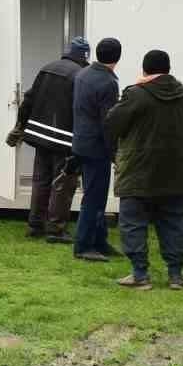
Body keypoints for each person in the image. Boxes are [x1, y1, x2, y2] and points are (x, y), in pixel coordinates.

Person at [104, 48, 183, 290]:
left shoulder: (136, 94)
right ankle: (175, 275)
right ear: (168, 69)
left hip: (138, 173)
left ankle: (140, 274)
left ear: (144, 70)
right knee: (173, 224)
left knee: (133, 223)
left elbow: (111, 123)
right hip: (174, 173)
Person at [8, 36, 88, 239]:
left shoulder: (47, 68)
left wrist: (20, 126)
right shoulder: (81, 75)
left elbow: (29, 99)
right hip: (64, 140)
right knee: (62, 185)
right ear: (84, 56)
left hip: (40, 137)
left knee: (40, 181)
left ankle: (35, 226)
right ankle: (55, 229)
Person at [71, 37, 124, 262]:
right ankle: (83, 245)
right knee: (94, 198)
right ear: (118, 57)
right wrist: (115, 152)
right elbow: (108, 122)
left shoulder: (83, 74)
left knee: (95, 195)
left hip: (82, 142)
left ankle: (99, 241)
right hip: (97, 147)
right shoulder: (108, 83)